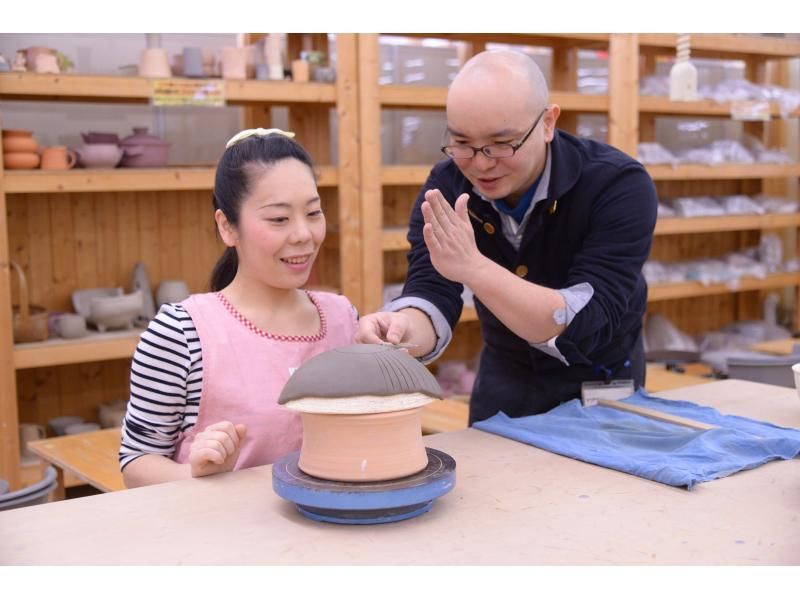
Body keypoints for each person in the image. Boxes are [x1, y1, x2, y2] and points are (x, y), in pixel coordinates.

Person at [355, 50, 658, 424]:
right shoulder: (447, 185)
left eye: (502, 143)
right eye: (462, 142)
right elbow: (432, 288)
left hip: (602, 388)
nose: (481, 163)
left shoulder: (616, 185)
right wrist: (401, 331)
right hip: (505, 386)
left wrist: (474, 268)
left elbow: (586, 320)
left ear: (548, 123)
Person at [120, 129, 358, 487]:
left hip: (340, 530)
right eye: (279, 219)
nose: (303, 234)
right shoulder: (180, 332)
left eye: (313, 213)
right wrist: (194, 473)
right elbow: (135, 462)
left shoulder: (344, 318)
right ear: (227, 227)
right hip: (223, 537)